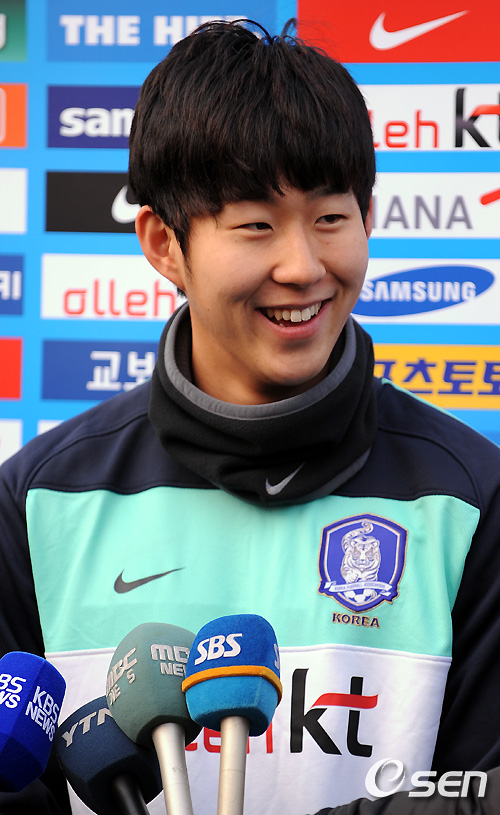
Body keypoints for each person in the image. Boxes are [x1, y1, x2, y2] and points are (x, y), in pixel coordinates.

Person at [1, 19, 500, 815]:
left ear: (368, 216)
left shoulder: (472, 497)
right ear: (164, 242)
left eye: (331, 218)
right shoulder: (38, 501)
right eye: (256, 225)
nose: (303, 266)